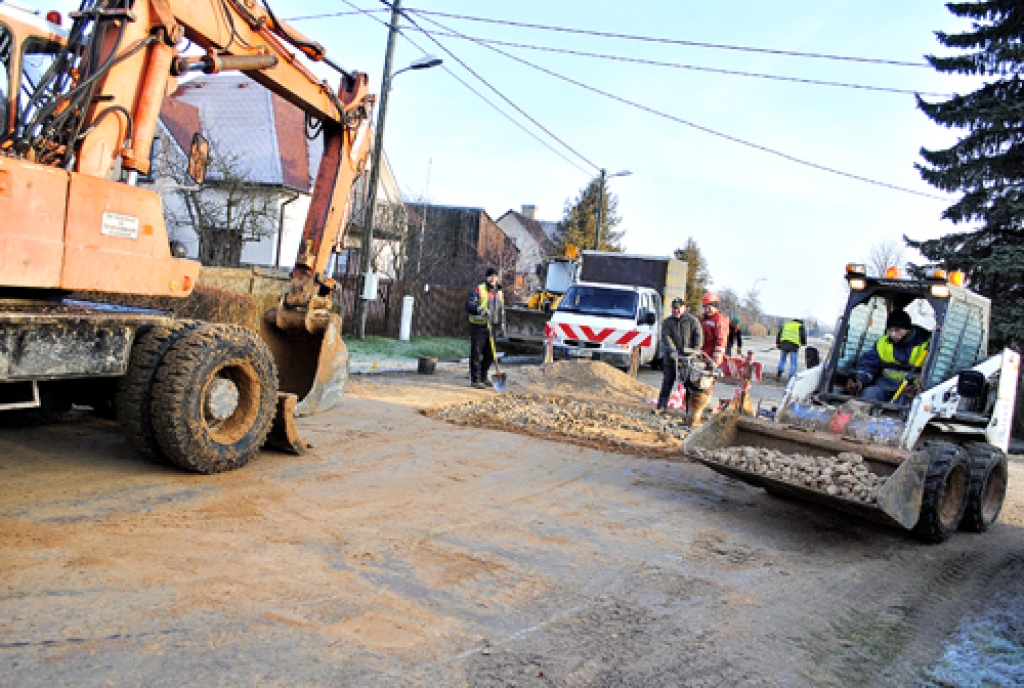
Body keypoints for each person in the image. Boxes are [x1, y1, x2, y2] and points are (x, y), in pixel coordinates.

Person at [846, 310, 931, 404]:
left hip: (909, 389)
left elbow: (932, 372)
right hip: (884, 385)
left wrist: (917, 387)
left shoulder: (926, 345)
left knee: (908, 403)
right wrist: (860, 380)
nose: (893, 334)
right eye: (890, 330)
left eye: (897, 330)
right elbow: (869, 364)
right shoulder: (882, 343)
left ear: (908, 329)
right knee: (868, 394)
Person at [655, 297, 703, 412]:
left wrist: (694, 352)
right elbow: (666, 338)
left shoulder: (693, 321)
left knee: (689, 384)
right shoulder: (667, 322)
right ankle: (662, 406)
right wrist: (672, 351)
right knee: (667, 381)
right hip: (671, 357)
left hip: (688, 357)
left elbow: (698, 338)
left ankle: (688, 410)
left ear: (684, 308)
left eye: (678, 308)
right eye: (674, 308)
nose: (676, 310)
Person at [693, 292, 730, 425]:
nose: (707, 309)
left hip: (710, 359)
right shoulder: (704, 319)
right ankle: (694, 411)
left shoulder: (720, 320)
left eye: (710, 306)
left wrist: (715, 360)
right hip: (701, 357)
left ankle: (698, 412)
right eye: (705, 306)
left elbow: (721, 342)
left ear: (716, 305)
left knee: (706, 385)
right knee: (694, 384)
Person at [465, 267, 505, 389]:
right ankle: (475, 379)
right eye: (490, 276)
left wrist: (501, 325)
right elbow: (469, 305)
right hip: (479, 326)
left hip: (492, 326)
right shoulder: (479, 290)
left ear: (497, 278)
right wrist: (479, 309)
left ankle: (483, 376)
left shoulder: (499, 292)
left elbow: (501, 310)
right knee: (477, 353)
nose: (492, 278)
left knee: (490, 354)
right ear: (487, 277)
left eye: (495, 276)